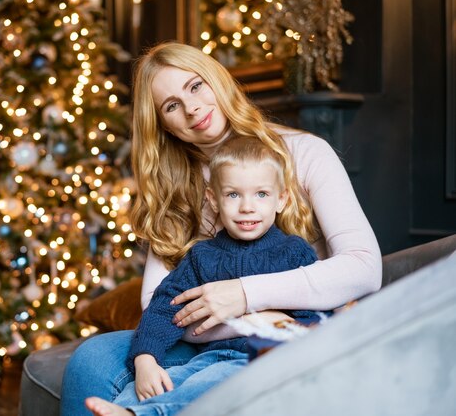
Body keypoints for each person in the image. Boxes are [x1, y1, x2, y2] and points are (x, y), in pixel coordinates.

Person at [61, 42, 382, 415]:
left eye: (196, 86)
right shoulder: (176, 190)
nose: (191, 108)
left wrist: (245, 296)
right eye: (171, 105)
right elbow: (157, 303)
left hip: (287, 334)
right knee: (92, 359)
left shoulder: (305, 153)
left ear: (218, 82)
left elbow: (364, 266)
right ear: (165, 127)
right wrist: (246, 321)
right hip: (207, 337)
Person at [85, 135, 329, 416]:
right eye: (233, 194)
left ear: (281, 199)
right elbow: (165, 307)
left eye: (261, 194)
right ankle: (128, 409)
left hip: (264, 361)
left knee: (209, 383)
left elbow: (318, 313)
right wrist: (145, 359)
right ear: (213, 200)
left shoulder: (294, 252)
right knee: (158, 385)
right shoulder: (202, 256)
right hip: (211, 357)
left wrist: (288, 339)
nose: (247, 206)